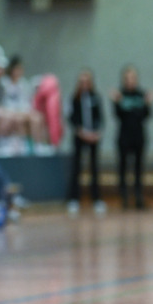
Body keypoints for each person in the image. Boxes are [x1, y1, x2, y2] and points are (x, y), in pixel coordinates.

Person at [110, 64, 153, 209]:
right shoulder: (120, 95)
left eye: (133, 77)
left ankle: (139, 197)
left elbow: (146, 115)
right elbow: (118, 115)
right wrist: (116, 103)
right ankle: (124, 198)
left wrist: (146, 104)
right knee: (123, 168)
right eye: (127, 78)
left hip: (139, 136)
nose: (130, 80)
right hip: (124, 136)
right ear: (123, 79)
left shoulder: (141, 94)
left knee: (138, 168)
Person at [65, 69, 106, 215]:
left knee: (94, 168)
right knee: (76, 168)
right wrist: (80, 131)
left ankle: (96, 199)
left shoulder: (95, 97)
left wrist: (97, 132)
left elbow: (100, 117)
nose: (84, 84)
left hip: (93, 137)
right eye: (81, 82)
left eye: (86, 81)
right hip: (80, 136)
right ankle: (74, 199)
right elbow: (71, 118)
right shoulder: (74, 98)